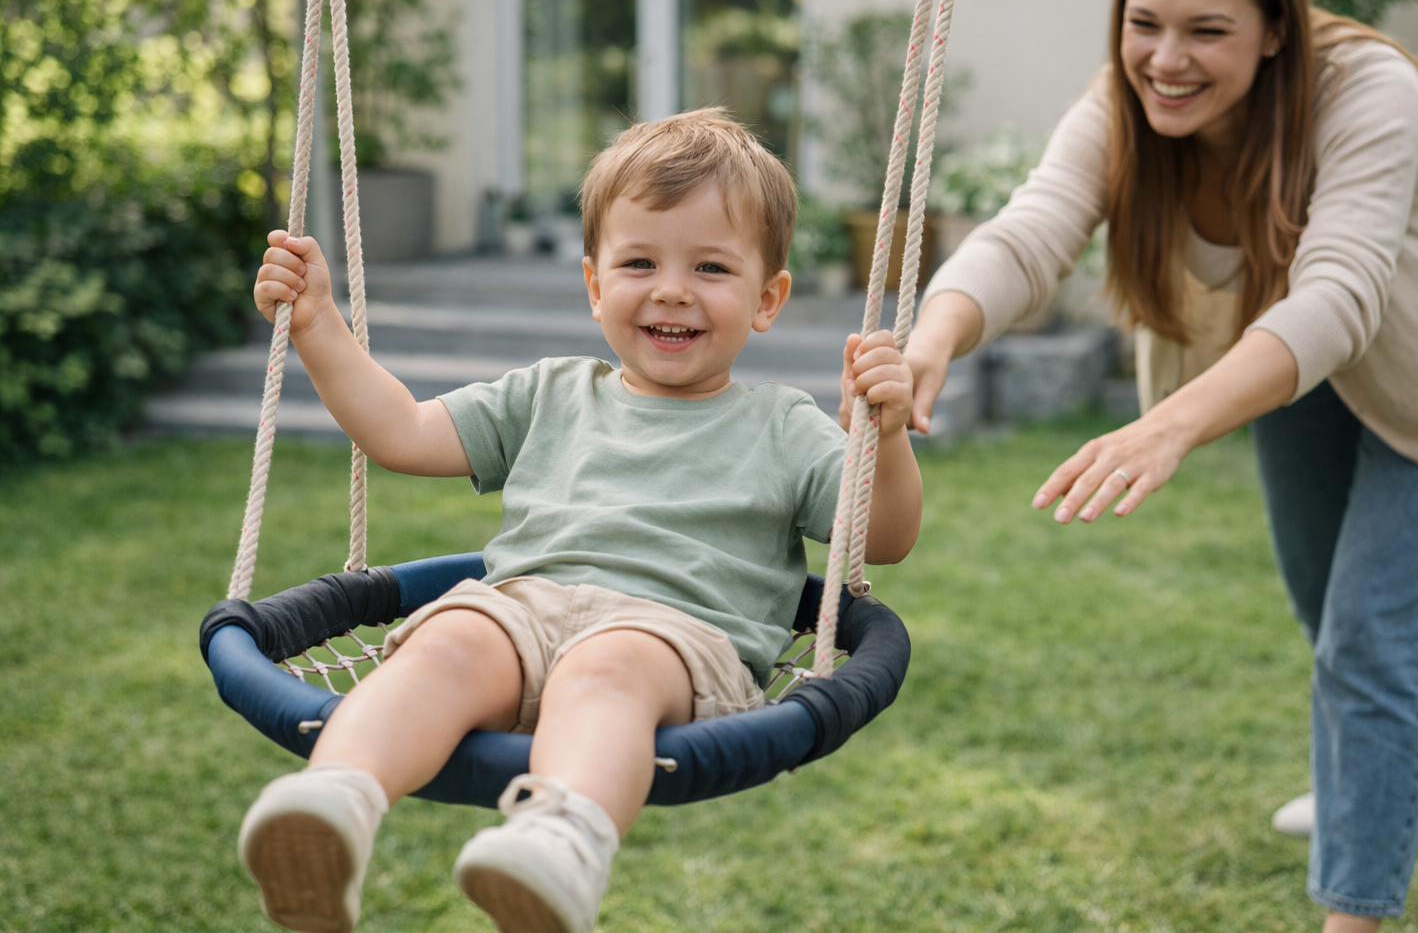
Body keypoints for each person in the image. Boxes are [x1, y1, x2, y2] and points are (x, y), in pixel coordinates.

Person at [903, 0, 1418, 929]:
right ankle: (1356, 786)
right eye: (1143, 22)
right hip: (1288, 363)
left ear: (1276, 27)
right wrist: (934, 333)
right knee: (1323, 607)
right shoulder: (1120, 106)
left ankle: (1354, 910)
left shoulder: (1367, 90)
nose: (1166, 58)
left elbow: (1342, 294)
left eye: (1207, 30)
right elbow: (1032, 230)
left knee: (1373, 637)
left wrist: (1168, 427)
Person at [238, 108, 923, 933]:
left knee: (609, 665)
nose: (671, 288)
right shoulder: (550, 393)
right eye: (640, 262)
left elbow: (879, 538)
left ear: (767, 298)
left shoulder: (786, 425)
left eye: (710, 266)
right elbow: (401, 434)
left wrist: (881, 437)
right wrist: (318, 326)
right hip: (524, 608)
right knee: (447, 641)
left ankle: (560, 846)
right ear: (597, 286)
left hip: (675, 634)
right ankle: (333, 806)